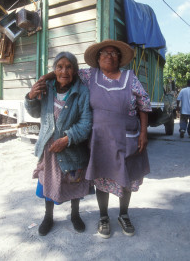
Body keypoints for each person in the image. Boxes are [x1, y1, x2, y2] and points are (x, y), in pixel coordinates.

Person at [40, 39, 151, 239]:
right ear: (98, 59)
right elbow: (65, 72)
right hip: (99, 140)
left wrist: (144, 132)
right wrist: (45, 78)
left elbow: (143, 104)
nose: (109, 56)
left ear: (119, 59)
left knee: (126, 178)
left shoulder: (130, 77)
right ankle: (103, 217)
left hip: (128, 138)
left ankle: (124, 215)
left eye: (114, 53)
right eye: (104, 53)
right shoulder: (89, 75)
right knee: (102, 178)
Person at [24, 52, 92, 236]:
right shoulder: (47, 88)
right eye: (60, 66)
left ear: (75, 70)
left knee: (74, 183)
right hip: (49, 150)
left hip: (72, 149)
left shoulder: (82, 92)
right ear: (54, 70)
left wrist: (67, 139)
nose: (64, 71)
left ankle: (75, 215)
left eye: (69, 67)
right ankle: (48, 217)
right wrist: (30, 96)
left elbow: (86, 124)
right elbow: (35, 113)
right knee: (48, 182)